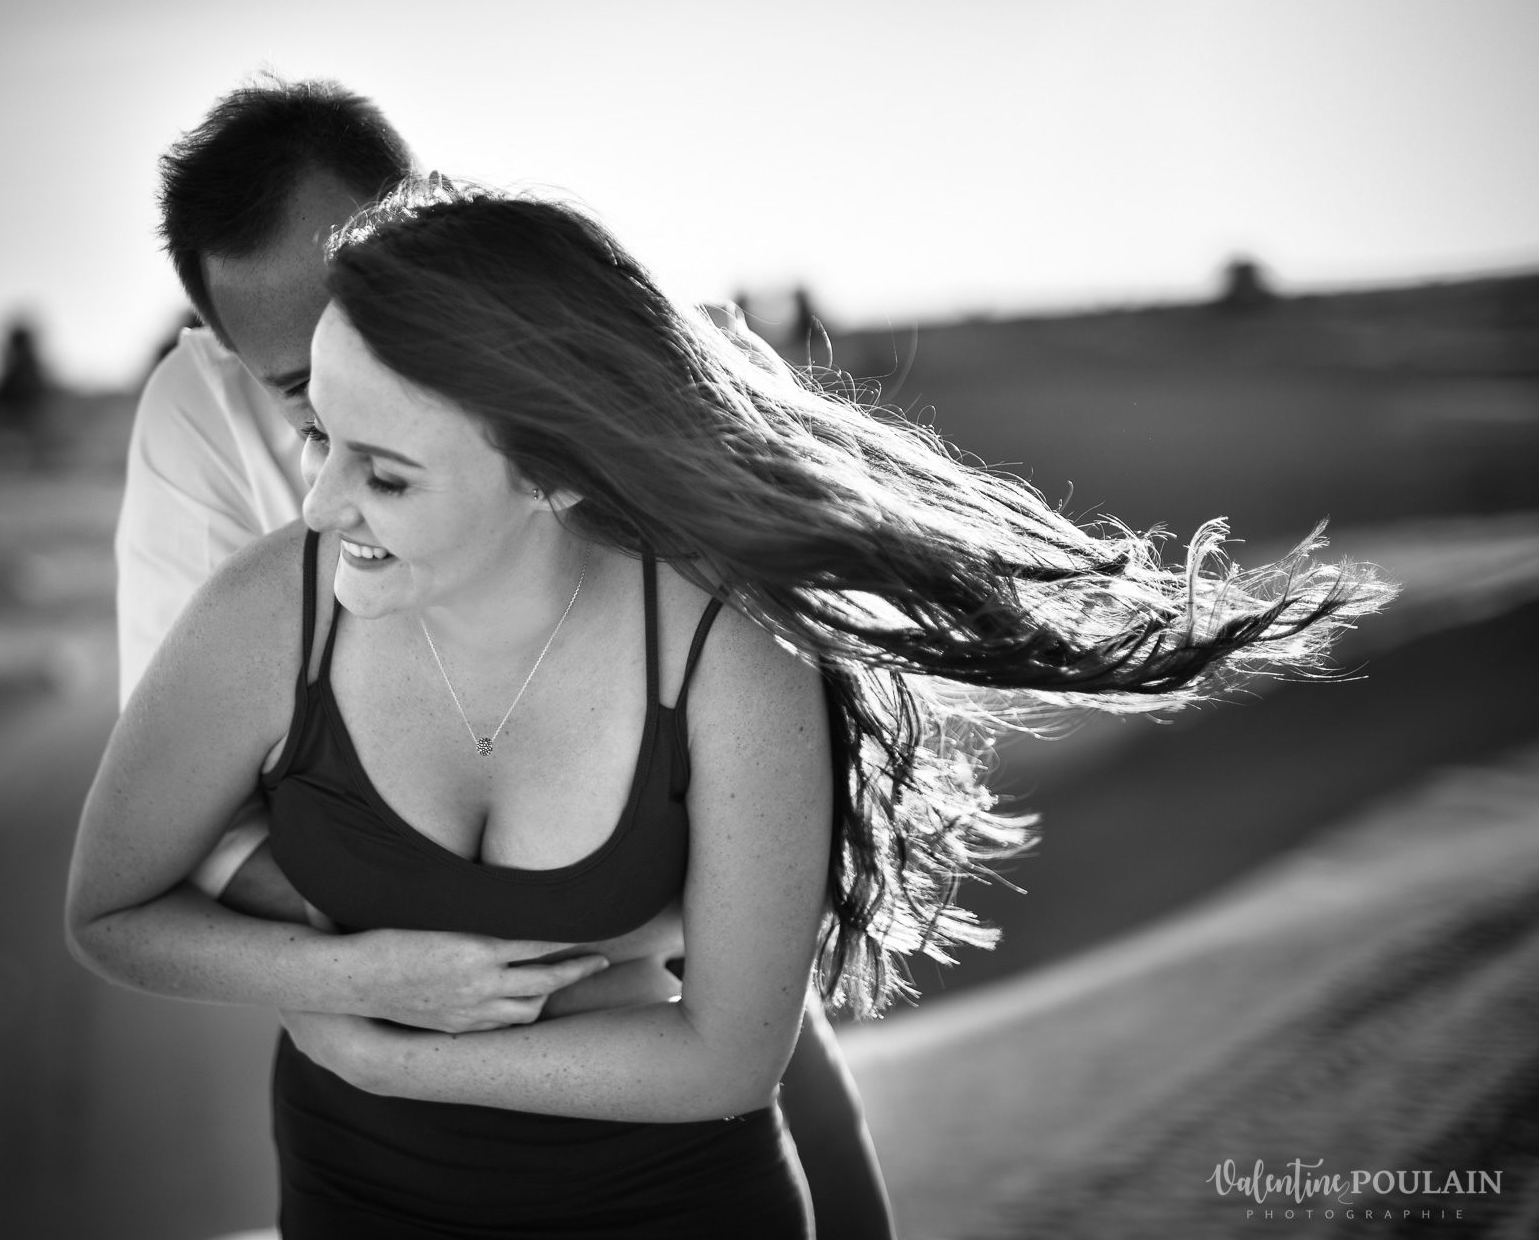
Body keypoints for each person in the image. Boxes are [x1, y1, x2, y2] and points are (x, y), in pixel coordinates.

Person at [70, 169, 1391, 1236]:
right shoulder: (272, 608)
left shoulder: (722, 650)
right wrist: (342, 974)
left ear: (549, 474)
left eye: (387, 472)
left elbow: (724, 1062)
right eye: (319, 436)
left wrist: (386, 1051)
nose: (319, 503)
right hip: (359, 1206)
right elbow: (112, 910)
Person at [112, 80, 893, 1235]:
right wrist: (396, 979)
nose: (360, 361)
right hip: (408, 1048)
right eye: (302, 390)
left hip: (684, 964)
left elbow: (771, 646)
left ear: (433, 219)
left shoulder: (577, 350)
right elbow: (192, 796)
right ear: (230, 355)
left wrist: (656, 927)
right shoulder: (197, 431)